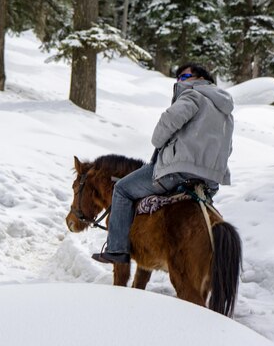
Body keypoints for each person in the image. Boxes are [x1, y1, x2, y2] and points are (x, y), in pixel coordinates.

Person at [92, 62, 234, 264]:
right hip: (210, 181)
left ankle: (117, 250)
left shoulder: (192, 95)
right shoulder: (225, 111)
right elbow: (227, 148)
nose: (179, 81)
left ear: (201, 78)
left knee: (122, 189)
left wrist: (159, 141)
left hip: (178, 172)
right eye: (178, 78)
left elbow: (166, 124)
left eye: (184, 77)